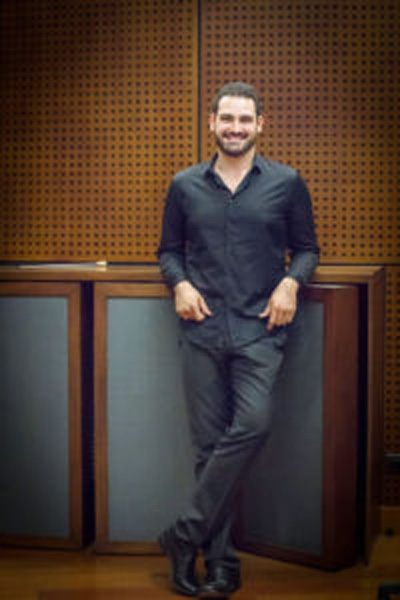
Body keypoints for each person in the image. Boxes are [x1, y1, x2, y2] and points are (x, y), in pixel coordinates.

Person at [157, 81, 320, 598]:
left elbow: (308, 248)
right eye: (226, 119)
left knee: (253, 424)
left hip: (260, 332)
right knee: (208, 450)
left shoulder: (287, 183)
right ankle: (222, 566)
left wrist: (292, 282)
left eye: (244, 120)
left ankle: (183, 535)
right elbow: (167, 251)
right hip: (201, 330)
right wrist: (179, 282)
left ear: (260, 125)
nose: (235, 128)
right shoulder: (184, 185)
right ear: (211, 122)